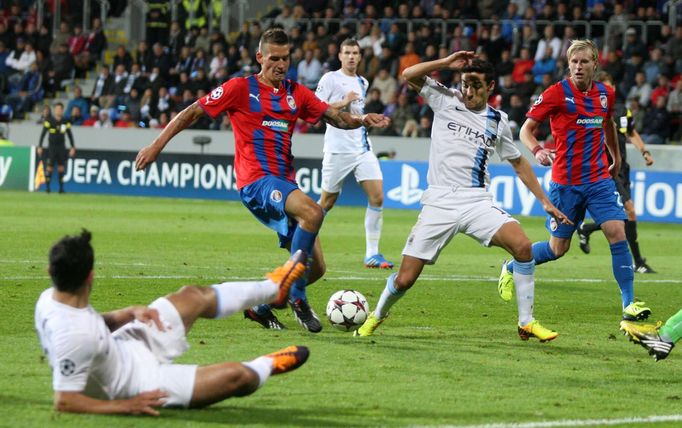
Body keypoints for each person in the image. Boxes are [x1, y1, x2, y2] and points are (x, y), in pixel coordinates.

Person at [135, 28, 389, 333]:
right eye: (274, 59)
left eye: (285, 58)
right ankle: (298, 299)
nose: (280, 65)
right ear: (260, 57)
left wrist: (363, 120)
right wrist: (156, 146)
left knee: (316, 268)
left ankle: (261, 307)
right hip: (256, 181)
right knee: (313, 211)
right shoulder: (239, 88)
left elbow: (336, 118)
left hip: (283, 182)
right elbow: (192, 113)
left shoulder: (296, 93)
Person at [355, 54, 571, 341]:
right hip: (439, 202)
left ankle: (526, 322)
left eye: (476, 86)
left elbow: (519, 162)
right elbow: (408, 74)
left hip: (476, 202)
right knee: (405, 278)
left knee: (522, 247)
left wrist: (545, 202)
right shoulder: (446, 99)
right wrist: (445, 62)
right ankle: (377, 315)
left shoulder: (497, 121)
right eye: (466, 84)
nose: (468, 91)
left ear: (491, 86)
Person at [35, 230, 310, 415]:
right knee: (238, 377)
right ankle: (266, 365)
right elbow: (65, 400)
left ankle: (273, 288)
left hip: (123, 344)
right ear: (91, 277)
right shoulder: (73, 336)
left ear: (51, 272)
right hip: (136, 382)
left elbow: (92, 324)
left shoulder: (50, 298)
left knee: (191, 296)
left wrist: (127, 313)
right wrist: (125, 405)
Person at [498, 40, 651, 323]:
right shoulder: (556, 93)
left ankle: (628, 304)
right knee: (558, 249)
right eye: (574, 62)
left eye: (584, 62)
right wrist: (538, 150)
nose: (578, 67)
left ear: (595, 64)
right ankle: (511, 266)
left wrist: (615, 158)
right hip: (565, 184)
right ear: (569, 64)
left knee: (617, 231)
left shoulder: (606, 94)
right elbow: (525, 130)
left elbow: (608, 125)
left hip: (598, 180)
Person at [315, 39, 393, 269]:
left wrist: (372, 119)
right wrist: (344, 101)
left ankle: (372, 254)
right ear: (340, 56)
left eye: (355, 53)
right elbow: (317, 109)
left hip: (361, 147)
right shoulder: (329, 79)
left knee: (377, 196)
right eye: (347, 52)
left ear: (360, 57)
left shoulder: (363, 81)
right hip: (337, 149)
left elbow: (357, 115)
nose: (351, 56)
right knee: (326, 202)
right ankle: (301, 239)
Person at [577, 72, 656, 274]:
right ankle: (638, 261)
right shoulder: (592, 111)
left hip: (624, 168)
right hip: (607, 168)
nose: (607, 90)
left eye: (609, 86)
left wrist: (645, 151)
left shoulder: (622, 111)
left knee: (622, 216)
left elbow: (631, 132)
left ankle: (587, 229)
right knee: (629, 210)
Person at [37, 102, 75, 194]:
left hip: (61, 147)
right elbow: (43, 134)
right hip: (52, 147)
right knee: (49, 167)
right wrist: (40, 146)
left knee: (61, 167)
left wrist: (72, 147)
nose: (59, 110)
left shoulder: (66, 121)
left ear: (62, 110)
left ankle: (61, 189)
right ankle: (47, 188)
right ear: (54, 110)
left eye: (60, 109)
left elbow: (69, 134)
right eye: (57, 109)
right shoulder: (49, 120)